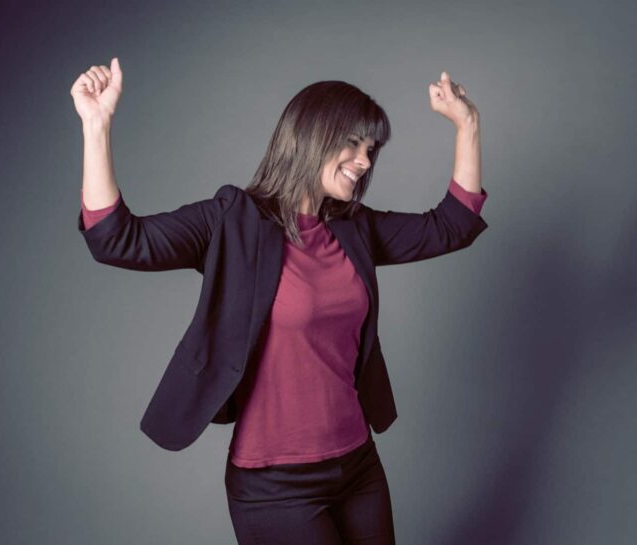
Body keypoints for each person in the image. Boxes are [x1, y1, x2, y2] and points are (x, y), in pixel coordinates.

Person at [71, 57, 488, 545]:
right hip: (276, 486)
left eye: (371, 148)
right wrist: (96, 126)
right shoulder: (232, 221)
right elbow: (116, 240)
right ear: (309, 135)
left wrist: (469, 124)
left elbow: (452, 227)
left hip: (358, 466)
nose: (365, 161)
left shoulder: (355, 227)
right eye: (352, 143)